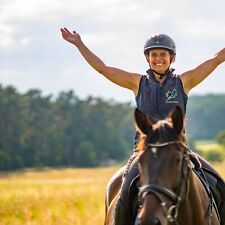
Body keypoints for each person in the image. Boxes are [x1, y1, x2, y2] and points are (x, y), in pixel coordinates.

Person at [60, 28, 225, 225]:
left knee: (218, 183)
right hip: (144, 153)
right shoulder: (137, 82)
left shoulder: (184, 81)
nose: (158, 59)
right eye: (153, 55)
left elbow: (216, 59)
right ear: (147, 58)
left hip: (178, 152)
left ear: (172, 58)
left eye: (163, 54)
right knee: (123, 191)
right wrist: (80, 44)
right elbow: (103, 68)